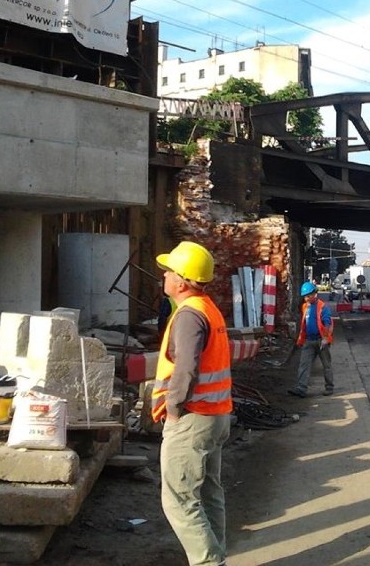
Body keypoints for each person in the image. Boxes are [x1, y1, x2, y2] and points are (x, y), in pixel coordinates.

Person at [151, 241, 232, 566]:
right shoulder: (207, 308)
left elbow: (186, 367)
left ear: (181, 281)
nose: (165, 276)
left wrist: (172, 408)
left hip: (192, 418)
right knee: (209, 493)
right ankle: (216, 556)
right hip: (215, 415)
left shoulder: (188, 316)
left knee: (179, 499)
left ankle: (209, 562)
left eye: (169, 271)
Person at [289, 281, 334, 398]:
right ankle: (301, 388)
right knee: (304, 364)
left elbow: (327, 323)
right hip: (309, 340)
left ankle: (329, 387)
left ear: (315, 294)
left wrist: (325, 338)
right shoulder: (305, 307)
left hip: (321, 341)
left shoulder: (322, 307)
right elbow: (304, 324)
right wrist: (301, 340)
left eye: (309, 296)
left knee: (326, 365)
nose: (307, 298)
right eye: (305, 296)